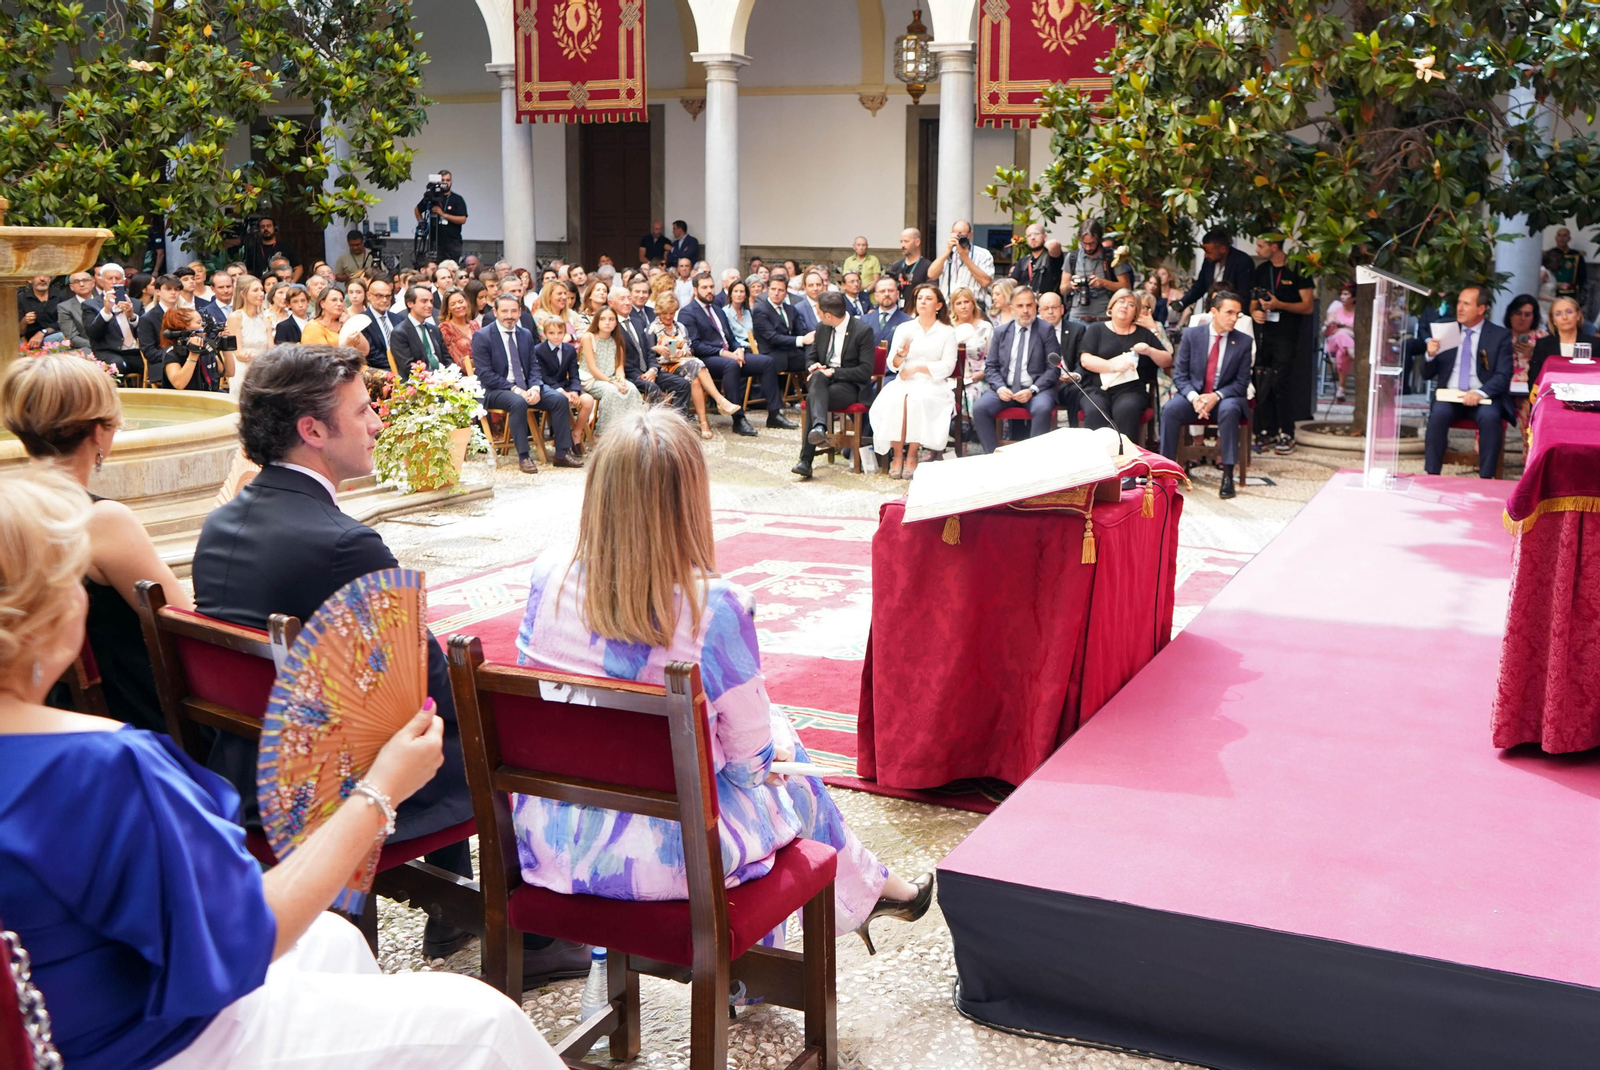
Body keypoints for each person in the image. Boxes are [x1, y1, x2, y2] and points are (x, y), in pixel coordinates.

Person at [0, 468, 567, 1070]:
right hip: (134, 1043)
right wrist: (380, 791)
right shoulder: (98, 768)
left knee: (336, 940)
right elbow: (242, 939)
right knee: (484, 1023)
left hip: (67, 1000)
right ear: (46, 617)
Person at [512, 407, 934, 952]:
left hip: (553, 836)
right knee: (788, 769)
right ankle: (838, 912)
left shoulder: (549, 573)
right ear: (691, 498)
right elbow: (748, 764)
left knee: (768, 753)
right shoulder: (714, 607)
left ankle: (872, 890)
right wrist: (771, 754)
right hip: (671, 859)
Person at [0, 354, 189, 732]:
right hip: (127, 714)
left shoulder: (12, 508)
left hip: (35, 701)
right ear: (100, 433)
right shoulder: (101, 519)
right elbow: (183, 623)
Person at [473, 295, 584, 473]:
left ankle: (562, 453)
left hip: (527, 386)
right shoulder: (482, 336)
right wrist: (517, 390)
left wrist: (534, 387)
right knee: (518, 402)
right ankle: (524, 456)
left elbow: (534, 366)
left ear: (520, 312)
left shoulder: (524, 334)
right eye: (505, 311)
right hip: (497, 389)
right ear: (495, 312)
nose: (510, 315)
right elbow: (486, 375)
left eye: (514, 311)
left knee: (558, 399)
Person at [1160, 292, 1254, 499]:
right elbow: (1180, 376)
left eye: (1237, 314)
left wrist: (1215, 396)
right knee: (1170, 410)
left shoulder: (1244, 341)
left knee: (1230, 410)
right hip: (1194, 394)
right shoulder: (1192, 335)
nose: (1233, 318)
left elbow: (1241, 383)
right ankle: (1164, 473)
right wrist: (1195, 398)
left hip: (1226, 396)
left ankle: (1228, 474)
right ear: (1214, 312)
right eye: (1229, 312)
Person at [680, 272, 792, 436]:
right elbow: (695, 345)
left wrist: (738, 348)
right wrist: (725, 353)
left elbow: (730, 338)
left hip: (729, 354)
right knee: (731, 365)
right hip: (706, 360)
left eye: (711, 287)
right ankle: (738, 418)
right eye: (704, 288)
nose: (709, 290)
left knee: (767, 362)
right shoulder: (688, 312)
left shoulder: (718, 311)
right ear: (695, 290)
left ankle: (775, 413)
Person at [1422, 285, 1516, 479]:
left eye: (1466, 304)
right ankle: (1431, 474)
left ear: (1481, 309)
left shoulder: (1499, 336)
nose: (1460, 308)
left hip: (1482, 396)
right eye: (1459, 302)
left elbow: (1503, 374)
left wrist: (1480, 393)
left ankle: (1486, 477)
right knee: (1438, 414)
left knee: (1490, 418)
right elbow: (1426, 374)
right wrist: (1430, 355)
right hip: (1450, 395)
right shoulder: (1446, 330)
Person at [869, 283, 958, 478]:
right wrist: (901, 355)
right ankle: (897, 454)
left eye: (928, 298)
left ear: (938, 305)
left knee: (917, 400)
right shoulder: (904, 328)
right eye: (919, 298)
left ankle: (912, 454)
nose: (922, 302)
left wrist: (919, 368)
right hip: (905, 380)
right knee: (895, 400)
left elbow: (948, 366)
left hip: (933, 382)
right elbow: (892, 364)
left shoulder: (947, 332)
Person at [793, 292, 877, 479]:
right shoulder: (822, 328)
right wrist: (813, 366)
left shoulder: (862, 331)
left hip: (850, 385)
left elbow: (865, 371)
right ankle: (819, 428)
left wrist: (834, 372)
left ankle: (806, 460)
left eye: (819, 311)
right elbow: (812, 356)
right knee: (816, 379)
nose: (818, 315)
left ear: (828, 315)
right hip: (823, 382)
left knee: (814, 397)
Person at [1079, 287, 1174, 443]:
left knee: (1126, 409)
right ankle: (1096, 459)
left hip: (1131, 390)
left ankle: (1126, 459)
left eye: (1131, 305)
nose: (1125, 306)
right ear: (1111, 306)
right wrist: (1112, 366)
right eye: (1121, 301)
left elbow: (1167, 361)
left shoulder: (1144, 333)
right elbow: (1085, 360)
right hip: (1097, 388)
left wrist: (1149, 351)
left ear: (1135, 313)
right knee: (1096, 409)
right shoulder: (1096, 330)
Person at [972, 287, 1061, 453]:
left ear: (1035, 306)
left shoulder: (1045, 330)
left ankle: (1033, 460)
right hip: (1006, 388)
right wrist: (1000, 388)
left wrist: (1032, 390)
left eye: (1029, 305)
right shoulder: (1000, 332)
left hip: (1036, 389)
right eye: (1020, 306)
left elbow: (1054, 368)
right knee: (980, 409)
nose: (1025, 310)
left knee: (1042, 408)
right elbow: (991, 367)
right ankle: (993, 457)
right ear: (1012, 309)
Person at [1250, 237, 1315, 455]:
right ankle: (1266, 430)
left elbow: (1308, 306)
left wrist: (1280, 305)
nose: (1257, 249)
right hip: (1263, 335)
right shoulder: (1261, 270)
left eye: (1261, 245)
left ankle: (1286, 432)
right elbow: (1252, 303)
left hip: (1287, 335)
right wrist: (1255, 312)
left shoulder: (1298, 268)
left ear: (1274, 246)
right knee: (1263, 381)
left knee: (1281, 381)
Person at [579, 305, 645, 434]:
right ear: (597, 321)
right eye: (603, 319)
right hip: (592, 380)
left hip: (612, 378)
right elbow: (593, 369)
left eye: (611, 319)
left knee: (631, 389)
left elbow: (619, 366)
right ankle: (604, 432)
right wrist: (613, 382)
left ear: (616, 322)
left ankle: (630, 429)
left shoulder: (618, 340)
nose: (607, 322)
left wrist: (621, 380)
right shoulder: (589, 337)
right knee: (612, 391)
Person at [1176, 228, 1256, 323]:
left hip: (1234, 317)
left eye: (1209, 252)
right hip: (1212, 314)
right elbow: (1200, 286)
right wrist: (1181, 303)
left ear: (1222, 249)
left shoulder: (1242, 261)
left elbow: (1244, 294)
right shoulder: (1209, 261)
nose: (1205, 255)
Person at [1063, 220, 1134, 324]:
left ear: (1099, 240)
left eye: (1092, 243)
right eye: (1084, 243)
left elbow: (1126, 287)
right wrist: (1071, 285)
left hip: (1103, 317)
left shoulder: (1112, 257)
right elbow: (1062, 289)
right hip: (1077, 318)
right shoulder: (1072, 257)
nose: (1088, 247)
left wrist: (1103, 283)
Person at [1037, 291, 1088, 426]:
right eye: (1046, 309)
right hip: (1040, 384)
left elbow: (1082, 359)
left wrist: (1075, 375)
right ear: (1040, 311)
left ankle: (1074, 434)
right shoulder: (1033, 331)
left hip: (1066, 382)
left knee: (1076, 390)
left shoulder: (1077, 330)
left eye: (1054, 308)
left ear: (1062, 309)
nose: (1050, 312)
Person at [1528, 296, 1599, 389]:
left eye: (1569, 312)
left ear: (1578, 315)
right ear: (1553, 320)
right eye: (1558, 314)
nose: (1564, 317)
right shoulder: (1543, 344)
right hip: (1551, 398)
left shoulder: (1595, 344)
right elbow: (1534, 378)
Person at [752, 274, 815, 377]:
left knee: (815, 354)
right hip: (773, 355)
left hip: (791, 352)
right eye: (773, 289)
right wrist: (802, 340)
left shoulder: (790, 309)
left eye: (780, 290)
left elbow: (801, 331)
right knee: (813, 360)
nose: (776, 293)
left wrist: (812, 336)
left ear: (786, 293)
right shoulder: (760, 311)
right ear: (768, 290)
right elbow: (773, 338)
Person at [223, 276, 275, 398]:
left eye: (261, 290)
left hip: (263, 369)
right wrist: (259, 359)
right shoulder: (235, 317)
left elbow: (271, 350)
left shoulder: (265, 319)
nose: (261, 294)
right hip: (243, 371)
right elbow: (238, 353)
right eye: (255, 290)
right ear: (243, 294)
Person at [928, 220, 996, 312]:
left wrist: (965, 258)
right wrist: (947, 250)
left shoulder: (983, 254)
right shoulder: (947, 254)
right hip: (948, 307)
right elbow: (932, 274)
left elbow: (985, 281)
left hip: (974, 307)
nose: (959, 237)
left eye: (961, 234)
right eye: (955, 234)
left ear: (970, 235)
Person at [160, 307, 230, 392]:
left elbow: (228, 372)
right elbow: (179, 384)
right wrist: (193, 354)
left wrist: (226, 345)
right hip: (183, 402)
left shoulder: (205, 346)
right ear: (183, 326)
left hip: (209, 397)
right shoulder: (171, 352)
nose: (203, 326)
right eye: (199, 323)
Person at [950, 286, 993, 419]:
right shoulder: (947, 328)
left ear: (973, 304)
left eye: (966, 302)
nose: (963, 306)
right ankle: (952, 435)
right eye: (959, 303)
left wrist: (982, 374)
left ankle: (972, 432)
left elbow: (994, 358)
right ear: (953, 307)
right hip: (951, 378)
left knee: (970, 394)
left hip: (979, 377)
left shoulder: (986, 327)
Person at [391, 285, 448, 378]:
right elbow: (409, 366)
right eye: (424, 301)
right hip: (418, 383)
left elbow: (446, 358)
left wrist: (452, 374)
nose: (430, 305)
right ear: (410, 304)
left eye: (431, 301)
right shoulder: (400, 333)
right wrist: (435, 377)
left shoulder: (434, 329)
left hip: (442, 378)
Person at [414, 170, 468, 263]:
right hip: (435, 240)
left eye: (448, 180)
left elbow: (463, 219)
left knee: (451, 267)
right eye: (443, 180)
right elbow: (417, 209)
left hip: (452, 241)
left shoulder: (457, 199)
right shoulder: (431, 197)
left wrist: (443, 214)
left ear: (451, 181)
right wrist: (422, 223)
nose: (445, 183)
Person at [1501, 293, 1545, 399]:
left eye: (1527, 315)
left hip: (1532, 389)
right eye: (1518, 313)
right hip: (1503, 389)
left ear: (1534, 317)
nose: (1522, 318)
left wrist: (1535, 353)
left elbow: (1550, 366)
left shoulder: (1542, 338)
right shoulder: (1499, 336)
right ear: (1510, 314)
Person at [1010, 223, 1065, 297]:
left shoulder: (1052, 257)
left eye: (1036, 234)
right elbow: (1012, 281)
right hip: (1028, 303)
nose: (1032, 238)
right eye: (1029, 235)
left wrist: (1044, 243)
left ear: (1045, 236)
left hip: (1048, 304)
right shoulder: (1023, 261)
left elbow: (1054, 244)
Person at [1322, 282, 1356, 402]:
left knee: (1342, 353)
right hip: (1333, 343)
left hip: (1345, 346)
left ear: (1354, 297)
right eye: (1341, 294)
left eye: (1346, 294)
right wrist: (1329, 325)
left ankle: (1341, 388)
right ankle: (1353, 353)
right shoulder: (1335, 310)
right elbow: (1327, 333)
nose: (1342, 297)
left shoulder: (1357, 313)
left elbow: (1359, 333)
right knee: (1341, 335)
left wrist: (1344, 327)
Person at [360, 277, 404, 370]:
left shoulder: (398, 318)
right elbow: (372, 354)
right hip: (380, 370)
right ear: (368, 296)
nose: (384, 300)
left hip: (403, 366)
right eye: (379, 296)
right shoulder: (362, 321)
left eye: (388, 296)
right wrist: (395, 367)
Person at [242, 214, 300, 281]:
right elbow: (249, 271)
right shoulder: (253, 249)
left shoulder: (286, 247)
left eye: (268, 226)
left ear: (275, 228)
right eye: (262, 227)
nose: (266, 229)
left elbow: (298, 268)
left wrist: (292, 282)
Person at [885, 228, 930, 311]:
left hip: (917, 312)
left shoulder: (927, 266)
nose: (903, 245)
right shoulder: (896, 266)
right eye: (901, 242)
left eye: (906, 241)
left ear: (917, 242)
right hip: (897, 312)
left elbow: (931, 292)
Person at [57, 270, 98, 351]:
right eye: (77, 282)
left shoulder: (105, 302)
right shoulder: (65, 307)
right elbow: (72, 337)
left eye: (85, 280)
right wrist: (98, 346)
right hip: (85, 347)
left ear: (93, 283)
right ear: (71, 287)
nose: (82, 284)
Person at [864, 276, 911, 347]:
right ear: (876, 296)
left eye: (891, 291)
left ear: (897, 294)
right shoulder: (864, 320)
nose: (886, 294)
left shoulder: (908, 321)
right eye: (882, 291)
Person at [438, 289, 479, 368]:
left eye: (461, 302)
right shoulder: (445, 328)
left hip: (483, 370)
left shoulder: (475, 324)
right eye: (453, 304)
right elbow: (453, 358)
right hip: (461, 374)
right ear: (447, 308)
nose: (458, 306)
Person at [19, 273, 61, 345]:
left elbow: (65, 322)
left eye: (46, 275)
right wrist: (25, 321)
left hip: (56, 337)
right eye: (37, 276)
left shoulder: (61, 296)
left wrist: (42, 332)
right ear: (30, 280)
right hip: (30, 341)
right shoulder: (21, 299)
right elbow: (19, 331)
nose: (42, 279)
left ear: (50, 279)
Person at [1551, 226, 1588, 302]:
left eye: (1564, 235)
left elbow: (1582, 275)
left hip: (1570, 294)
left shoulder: (1577, 255)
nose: (1561, 238)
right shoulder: (1550, 254)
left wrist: (1575, 287)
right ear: (1556, 238)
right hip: (1552, 293)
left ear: (1569, 238)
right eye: (1559, 235)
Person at [724, 278, 756, 350]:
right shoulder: (724, 312)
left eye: (741, 292)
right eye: (735, 291)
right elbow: (729, 337)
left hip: (753, 345)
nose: (739, 294)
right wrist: (748, 345)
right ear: (730, 294)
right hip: (737, 348)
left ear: (745, 295)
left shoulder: (748, 312)